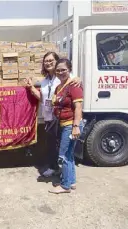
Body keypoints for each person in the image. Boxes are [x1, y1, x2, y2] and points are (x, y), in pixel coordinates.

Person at [24, 52, 81, 177]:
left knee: (62, 145)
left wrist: (78, 78)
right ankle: (55, 168)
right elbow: (43, 98)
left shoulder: (63, 77)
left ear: (57, 62)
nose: (48, 63)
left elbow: (75, 82)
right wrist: (32, 88)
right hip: (49, 116)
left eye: (51, 61)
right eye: (46, 61)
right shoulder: (45, 80)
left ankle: (64, 175)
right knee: (51, 143)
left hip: (60, 116)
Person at [49, 58, 84, 194]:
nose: (60, 72)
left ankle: (65, 186)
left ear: (69, 70)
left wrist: (75, 126)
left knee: (63, 155)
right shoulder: (59, 87)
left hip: (71, 125)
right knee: (69, 155)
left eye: (63, 70)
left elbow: (78, 107)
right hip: (64, 124)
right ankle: (71, 181)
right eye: (58, 70)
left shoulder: (73, 86)